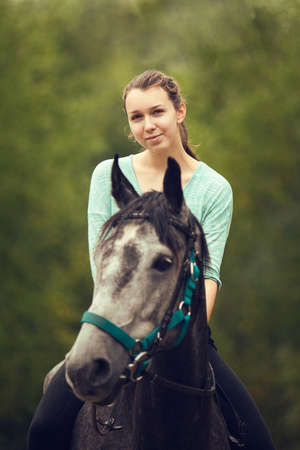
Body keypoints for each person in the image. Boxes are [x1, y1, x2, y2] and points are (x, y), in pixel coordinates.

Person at [27, 70, 275, 449]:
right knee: (44, 429)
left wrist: (166, 338)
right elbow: (104, 263)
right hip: (115, 328)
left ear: (180, 111)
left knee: (259, 440)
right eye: (136, 117)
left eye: (157, 111)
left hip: (184, 337)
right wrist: (127, 336)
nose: (148, 125)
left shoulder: (214, 189)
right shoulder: (107, 177)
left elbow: (209, 274)